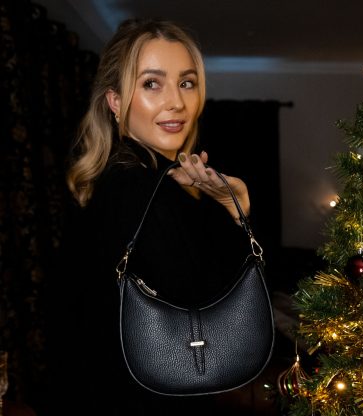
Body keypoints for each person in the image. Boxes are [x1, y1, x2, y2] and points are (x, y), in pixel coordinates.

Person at [46, 18, 254, 415]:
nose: (176, 102)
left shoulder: (130, 178)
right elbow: (216, 310)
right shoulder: (135, 185)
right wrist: (234, 209)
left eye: (187, 82)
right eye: (152, 84)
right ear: (116, 101)